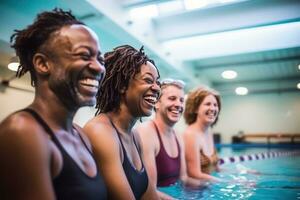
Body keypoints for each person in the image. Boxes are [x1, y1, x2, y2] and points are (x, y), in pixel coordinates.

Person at [0, 9, 107, 200]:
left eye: (99, 59)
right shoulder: (22, 132)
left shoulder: (80, 134)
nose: (99, 67)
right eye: (84, 55)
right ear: (43, 64)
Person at [83, 45, 160, 200]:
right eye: (148, 80)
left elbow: (150, 196)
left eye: (158, 82)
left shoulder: (135, 136)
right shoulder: (100, 131)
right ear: (123, 85)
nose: (157, 88)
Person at [135, 79, 204, 199]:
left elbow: (183, 178)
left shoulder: (178, 136)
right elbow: (149, 191)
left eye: (182, 100)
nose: (178, 104)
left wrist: (212, 186)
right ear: (156, 103)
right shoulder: (146, 132)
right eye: (172, 98)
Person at [183, 86, 222, 182]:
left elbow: (216, 168)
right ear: (195, 109)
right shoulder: (190, 135)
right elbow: (194, 174)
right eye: (208, 104)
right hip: (194, 192)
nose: (212, 108)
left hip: (209, 186)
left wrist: (244, 175)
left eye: (215, 105)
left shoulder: (208, 132)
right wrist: (231, 183)